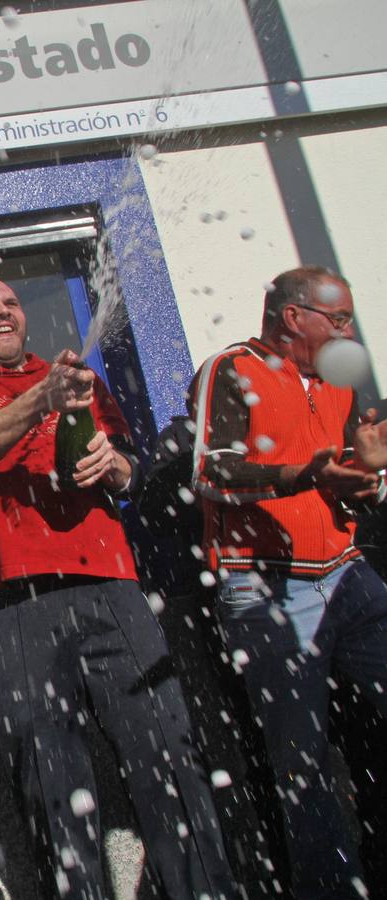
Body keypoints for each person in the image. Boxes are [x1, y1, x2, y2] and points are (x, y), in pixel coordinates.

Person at [0, 276, 235, 898]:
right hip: (16, 603)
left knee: (171, 760)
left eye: (10, 302)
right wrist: (42, 398)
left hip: (112, 588)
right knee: (51, 786)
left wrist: (115, 466)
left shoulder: (80, 380)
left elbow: (129, 469)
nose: (2, 312)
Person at [188, 266, 387, 897]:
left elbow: (349, 483)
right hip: (264, 586)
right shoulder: (231, 369)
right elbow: (212, 475)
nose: (349, 331)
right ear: (293, 317)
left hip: (349, 575)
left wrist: (370, 479)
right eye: (339, 318)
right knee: (302, 766)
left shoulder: (340, 380)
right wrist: (304, 475)